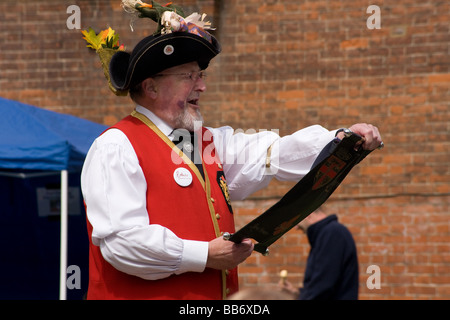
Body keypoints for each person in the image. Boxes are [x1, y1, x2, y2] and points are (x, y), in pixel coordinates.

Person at [80, 2, 382, 300]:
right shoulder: (116, 146)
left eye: (202, 76)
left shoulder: (197, 141)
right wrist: (204, 254)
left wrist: (338, 139)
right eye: (189, 77)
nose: (202, 87)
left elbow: (269, 153)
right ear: (151, 87)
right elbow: (122, 244)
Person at [279, 206, 359, 300]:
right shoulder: (327, 233)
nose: (296, 227)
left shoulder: (331, 233)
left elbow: (323, 287)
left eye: (296, 220)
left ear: (307, 214)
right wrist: (296, 293)